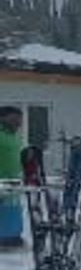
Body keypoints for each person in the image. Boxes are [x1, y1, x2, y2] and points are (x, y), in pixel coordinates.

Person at [0, 106, 24, 249]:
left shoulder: (15, 137)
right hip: (1, 182)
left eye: (20, 119)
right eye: (15, 118)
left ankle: (13, 236)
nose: (19, 122)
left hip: (14, 182)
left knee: (13, 209)